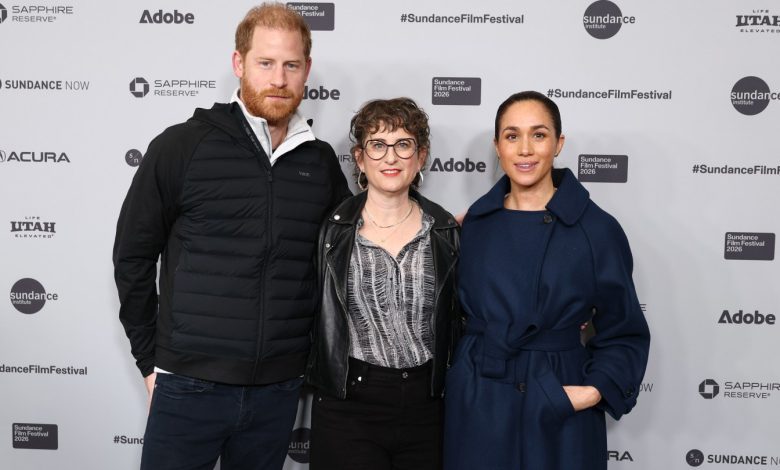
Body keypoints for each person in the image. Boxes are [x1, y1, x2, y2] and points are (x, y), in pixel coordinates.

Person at [112, 4, 350, 469]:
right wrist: (149, 361)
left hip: (277, 390)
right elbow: (132, 257)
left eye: (291, 65)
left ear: (306, 71)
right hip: (188, 385)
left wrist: (428, 221)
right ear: (239, 64)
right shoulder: (182, 146)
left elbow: (350, 251)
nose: (278, 78)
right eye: (265, 63)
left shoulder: (320, 163)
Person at [443, 91, 650, 470]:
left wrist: (589, 392)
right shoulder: (470, 226)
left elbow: (625, 329)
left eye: (538, 135)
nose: (525, 149)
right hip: (480, 396)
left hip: (556, 396)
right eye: (511, 136)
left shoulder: (595, 229)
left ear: (559, 144)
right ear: (497, 146)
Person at [305, 97, 461, 470]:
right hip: (349, 402)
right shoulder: (332, 232)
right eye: (378, 145)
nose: (390, 157)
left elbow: (467, 314)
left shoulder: (445, 232)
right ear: (360, 159)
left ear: (420, 157)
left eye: (403, 144)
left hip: (428, 406)